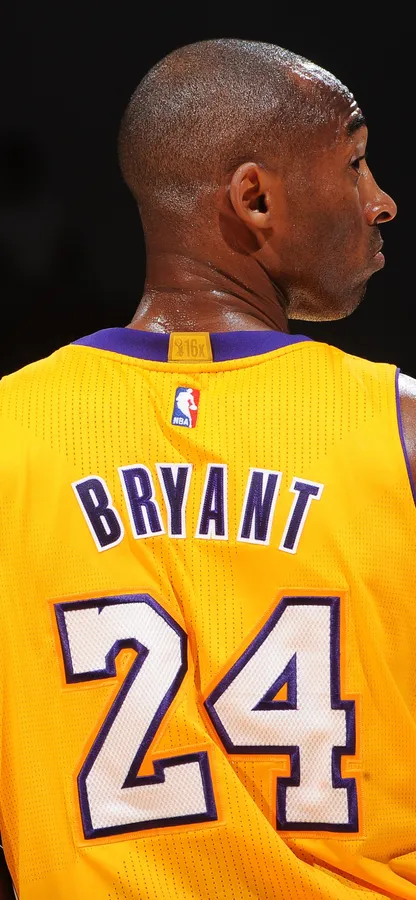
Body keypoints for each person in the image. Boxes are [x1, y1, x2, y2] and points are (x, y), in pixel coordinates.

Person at [0, 38, 414, 900]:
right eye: (355, 163)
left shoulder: (12, 432)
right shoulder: (401, 427)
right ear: (255, 199)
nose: (382, 203)